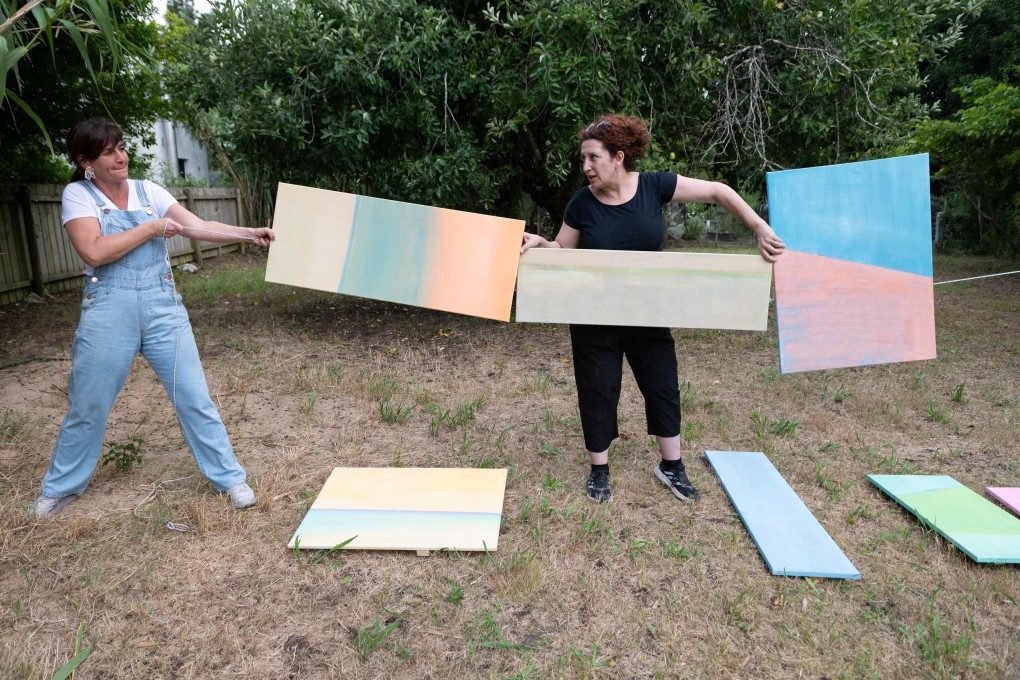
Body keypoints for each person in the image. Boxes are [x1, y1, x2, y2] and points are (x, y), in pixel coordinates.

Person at [520, 113, 785, 503]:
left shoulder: (654, 186)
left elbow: (718, 191)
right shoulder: (581, 204)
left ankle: (671, 466)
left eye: (593, 158)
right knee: (599, 388)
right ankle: (599, 469)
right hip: (594, 314)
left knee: (662, 385)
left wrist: (759, 227)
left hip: (648, 310)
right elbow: (563, 249)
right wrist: (541, 245)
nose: (585, 167)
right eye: (583, 159)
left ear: (619, 157)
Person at [28, 117, 275, 518]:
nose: (121, 157)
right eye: (109, 152)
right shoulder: (79, 195)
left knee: (195, 396)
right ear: (85, 160)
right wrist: (150, 228)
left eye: (121, 147)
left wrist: (249, 233)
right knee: (88, 404)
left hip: (163, 308)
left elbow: (199, 226)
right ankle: (60, 489)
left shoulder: (149, 190)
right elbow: (94, 251)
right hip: (109, 309)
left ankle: (230, 479)